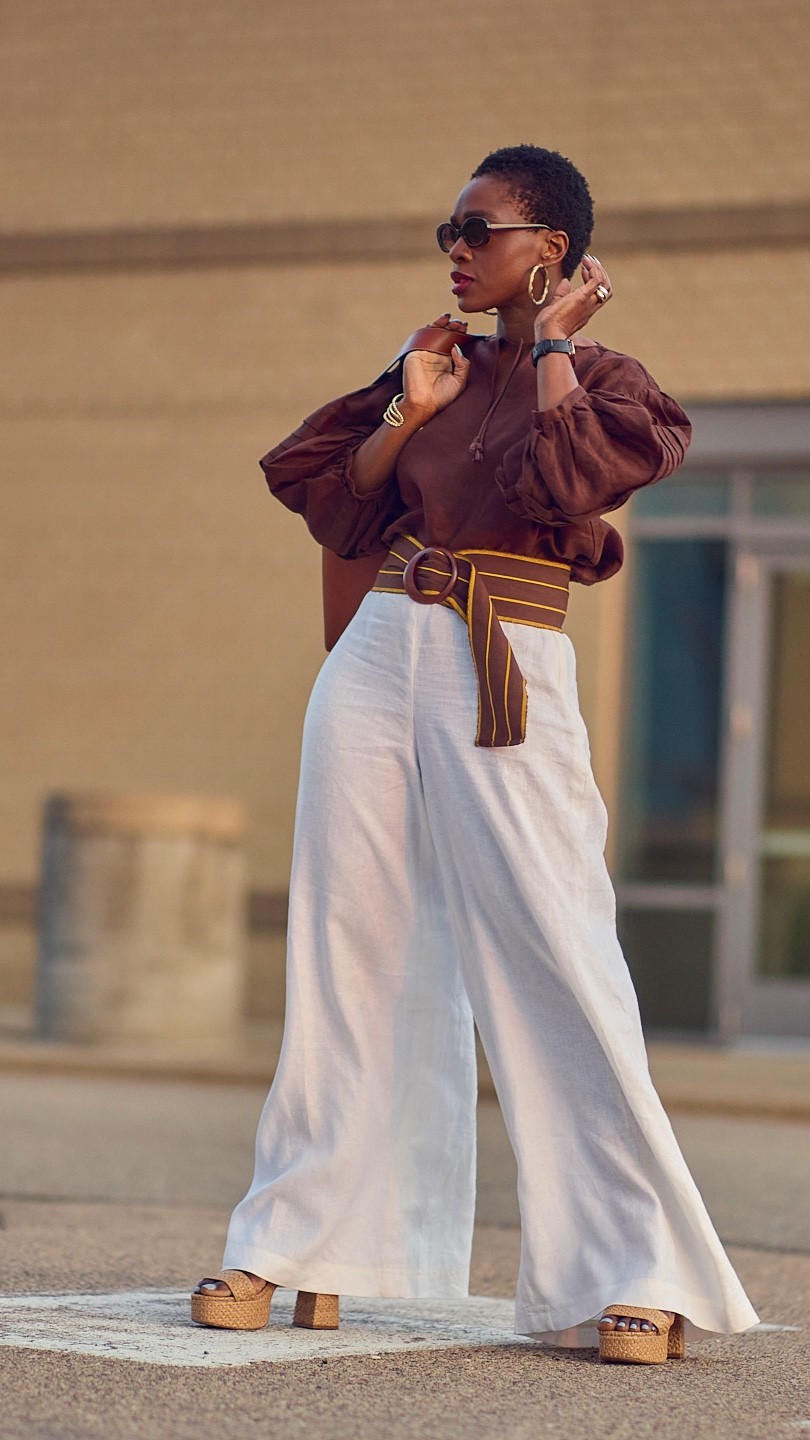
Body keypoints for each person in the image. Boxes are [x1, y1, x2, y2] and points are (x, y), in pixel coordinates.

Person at [191, 145, 758, 1363]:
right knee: (345, 941)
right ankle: (299, 1242)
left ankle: (637, 1265)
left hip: (509, 657)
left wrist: (552, 344)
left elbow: (565, 482)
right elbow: (336, 501)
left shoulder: (608, 381)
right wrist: (410, 409)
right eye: (447, 227)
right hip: (383, 646)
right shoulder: (436, 368)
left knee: (558, 946)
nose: (454, 247)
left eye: (476, 226)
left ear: (546, 246)